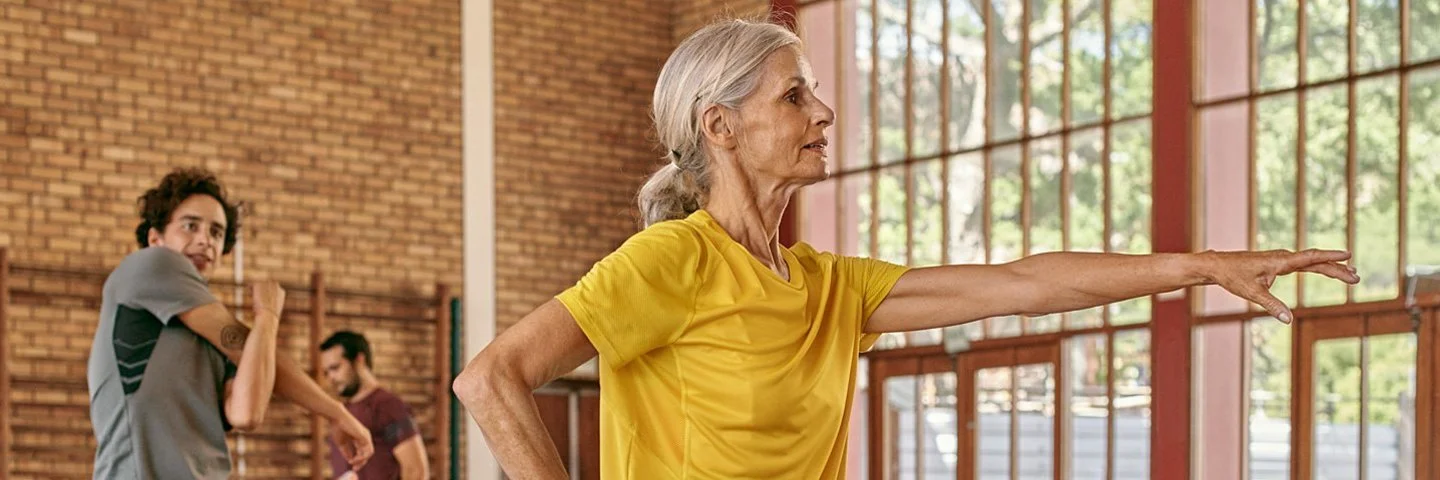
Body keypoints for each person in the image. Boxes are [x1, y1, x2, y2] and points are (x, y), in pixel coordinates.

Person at [451, 19, 1360, 479]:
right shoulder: (672, 262)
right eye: (794, 97)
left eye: (814, 92)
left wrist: (1199, 266)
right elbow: (490, 378)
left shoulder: (829, 287)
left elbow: (1025, 283)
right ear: (719, 126)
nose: (824, 112)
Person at [87, 167, 375, 479]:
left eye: (216, 232)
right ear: (155, 238)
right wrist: (268, 314)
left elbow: (247, 414)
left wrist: (267, 322)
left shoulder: (210, 339)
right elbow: (240, 342)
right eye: (190, 226)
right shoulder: (152, 264)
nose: (205, 240)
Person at [320, 330, 429, 480]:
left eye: (335, 368)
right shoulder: (343, 411)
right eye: (326, 372)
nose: (330, 378)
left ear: (359, 360)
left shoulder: (388, 405)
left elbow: (416, 471)